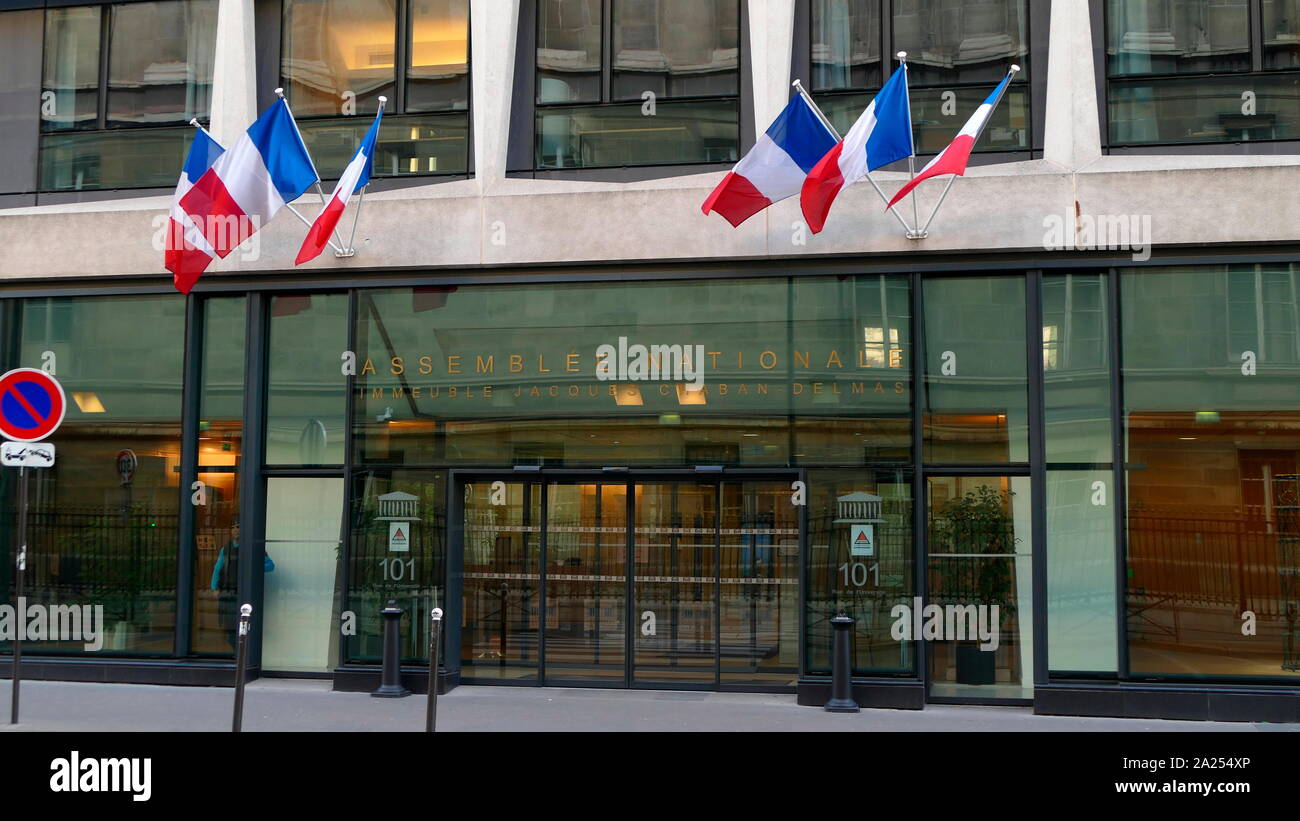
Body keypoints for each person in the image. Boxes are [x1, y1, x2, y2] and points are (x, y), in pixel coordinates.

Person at [209, 519, 274, 651]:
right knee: (230, 628)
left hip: (246, 594)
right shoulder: (225, 549)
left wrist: (254, 565)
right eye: (233, 527)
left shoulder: (253, 547)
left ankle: (244, 654)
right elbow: (217, 568)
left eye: (238, 527)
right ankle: (237, 654)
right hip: (228, 594)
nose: (235, 530)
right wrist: (214, 587)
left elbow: (270, 566)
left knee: (246, 627)